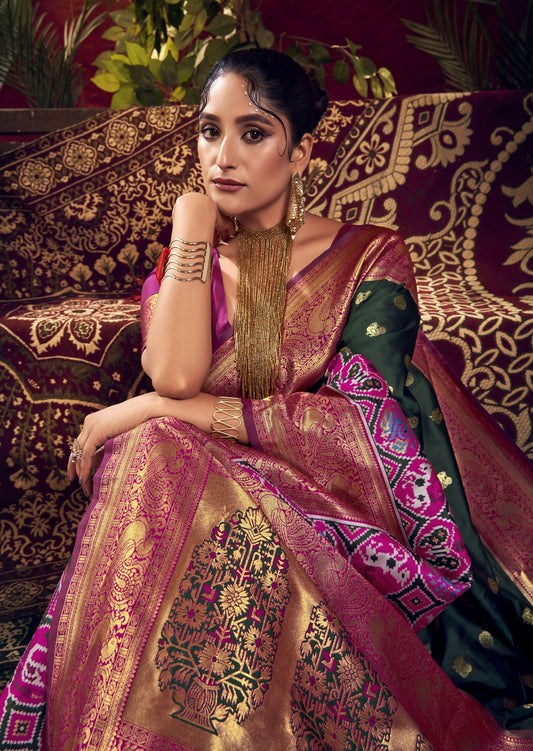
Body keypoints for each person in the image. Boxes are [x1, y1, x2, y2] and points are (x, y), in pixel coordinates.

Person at [1, 48, 532, 751]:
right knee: (149, 449)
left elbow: (370, 429)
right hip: (209, 487)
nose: (223, 156)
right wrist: (191, 225)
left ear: (301, 152)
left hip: (332, 503)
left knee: (149, 437)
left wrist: (158, 409)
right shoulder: (187, 263)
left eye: (252, 133)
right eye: (208, 131)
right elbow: (176, 375)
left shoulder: (366, 258)